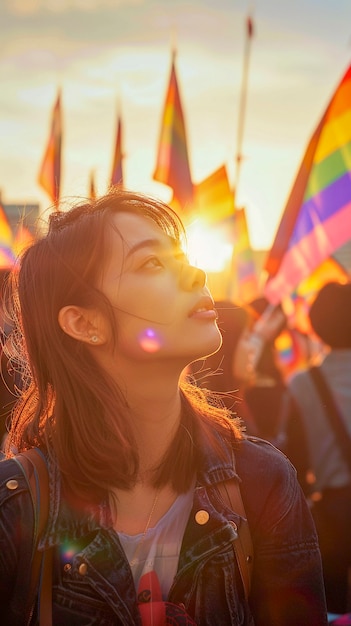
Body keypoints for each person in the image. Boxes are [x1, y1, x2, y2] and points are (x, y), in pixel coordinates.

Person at [0, 189, 327, 625]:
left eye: (181, 257)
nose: (195, 274)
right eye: (151, 263)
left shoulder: (262, 482)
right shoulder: (16, 507)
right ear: (85, 323)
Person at [281, 281, 351, 616]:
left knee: (333, 605)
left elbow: (294, 458)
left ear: (318, 326)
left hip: (334, 512)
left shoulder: (303, 383)